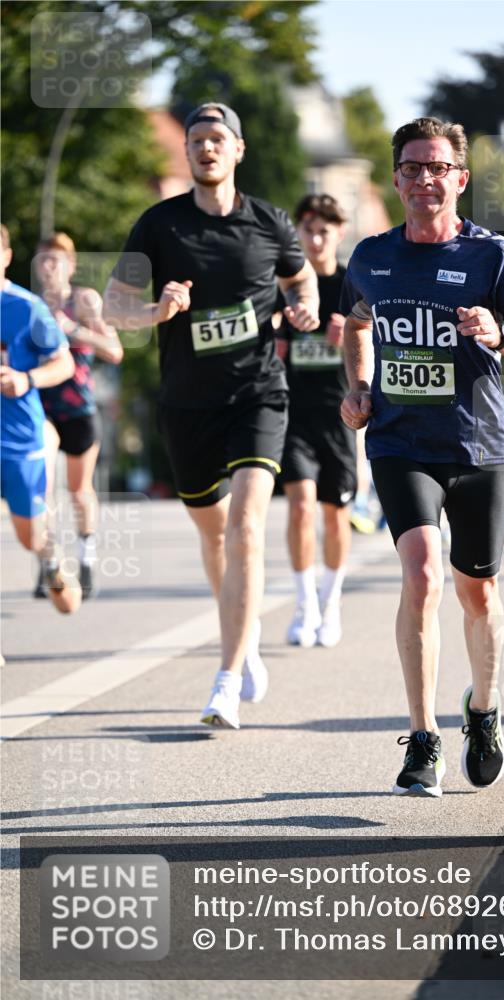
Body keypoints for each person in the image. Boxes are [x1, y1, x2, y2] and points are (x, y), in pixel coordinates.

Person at [340, 118, 504, 796]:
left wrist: (499, 335)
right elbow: (353, 323)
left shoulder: (493, 258)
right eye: (411, 167)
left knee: (477, 588)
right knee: (423, 575)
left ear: (459, 179)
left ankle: (483, 711)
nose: (423, 179)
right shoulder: (370, 257)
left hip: (479, 446)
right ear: (396, 179)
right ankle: (422, 738)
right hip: (401, 443)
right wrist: (356, 385)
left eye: (437, 168)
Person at [103, 103, 319, 729]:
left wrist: (302, 309)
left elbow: (301, 281)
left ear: (238, 150)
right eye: (196, 139)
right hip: (187, 401)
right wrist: (156, 313)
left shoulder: (269, 222)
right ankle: (244, 637)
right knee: (214, 532)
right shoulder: (159, 226)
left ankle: (225, 679)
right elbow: (117, 307)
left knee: (246, 527)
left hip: (258, 393)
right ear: (188, 152)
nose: (206, 148)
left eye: (217, 139)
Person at [276, 194, 356, 648]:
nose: (316, 237)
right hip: (293, 413)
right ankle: (304, 604)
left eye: (325, 229)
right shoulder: (286, 285)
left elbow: (380, 341)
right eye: (308, 229)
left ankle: (331, 603)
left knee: (335, 512)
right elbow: (265, 331)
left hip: (340, 413)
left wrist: (349, 336)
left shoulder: (352, 284)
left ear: (338, 233)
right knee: (302, 505)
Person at [33, 232, 123, 600]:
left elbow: (114, 351)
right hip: (43, 408)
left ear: (70, 265)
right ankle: (49, 563)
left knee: (79, 490)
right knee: (43, 487)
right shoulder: (31, 305)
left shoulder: (83, 300)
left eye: (55, 260)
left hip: (79, 408)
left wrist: (75, 330)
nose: (48, 267)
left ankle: (86, 558)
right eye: (42, 260)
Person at [0, 223, 80, 613]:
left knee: (29, 536)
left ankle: (48, 556)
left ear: (6, 257)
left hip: (19, 443)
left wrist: (25, 379)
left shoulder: (26, 308)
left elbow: (63, 363)